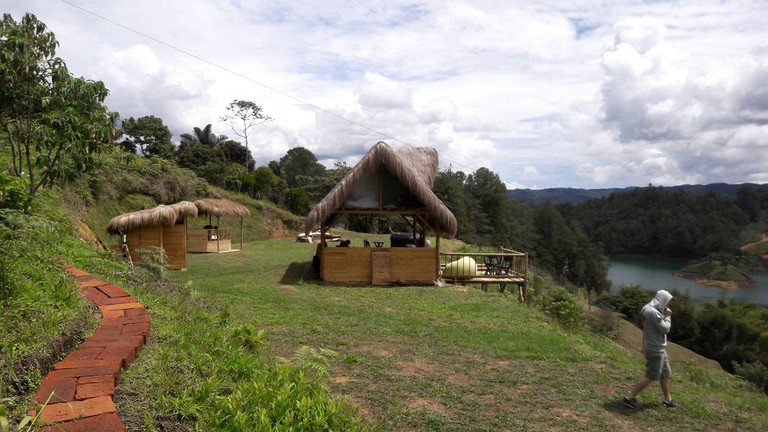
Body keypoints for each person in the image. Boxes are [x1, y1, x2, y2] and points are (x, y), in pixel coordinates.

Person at [623, 289, 679, 409]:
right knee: (650, 376)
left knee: (665, 373)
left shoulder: (646, 308)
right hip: (656, 349)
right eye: (668, 302)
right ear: (663, 300)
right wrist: (668, 316)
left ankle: (668, 400)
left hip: (657, 347)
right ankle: (629, 398)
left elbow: (650, 327)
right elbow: (665, 329)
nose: (669, 305)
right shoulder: (653, 312)